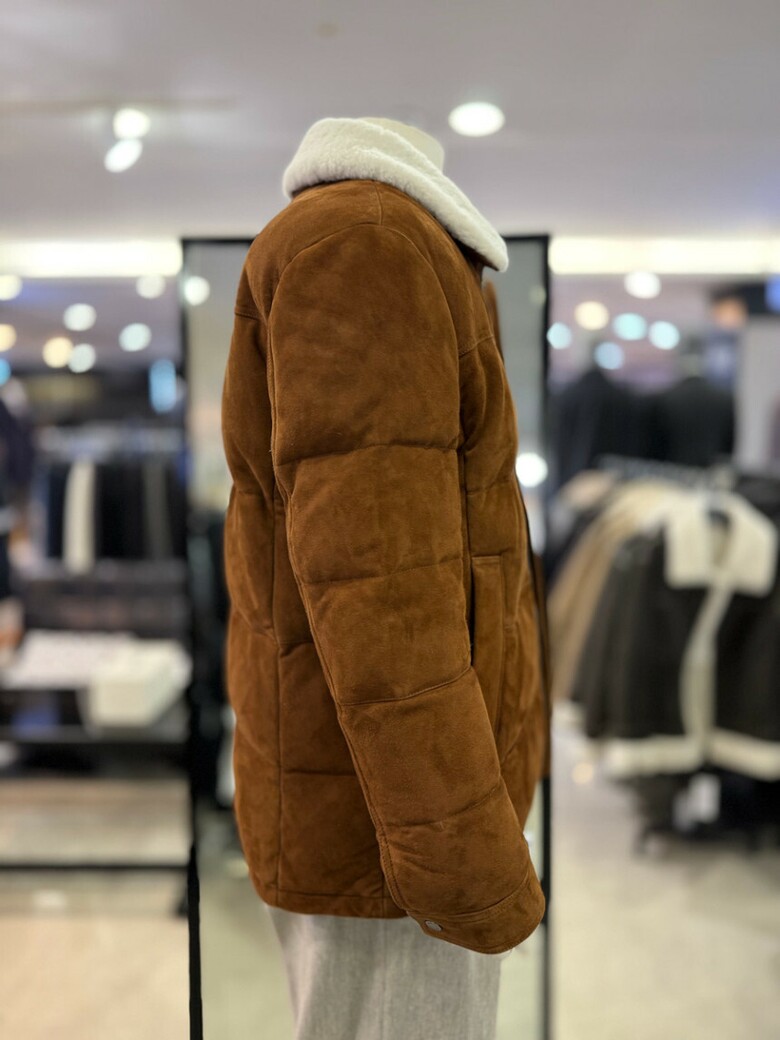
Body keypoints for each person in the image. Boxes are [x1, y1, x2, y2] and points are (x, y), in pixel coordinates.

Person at [220, 115, 548, 1040]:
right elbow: (383, 593)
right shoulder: (366, 244)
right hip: (389, 831)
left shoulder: (386, 241)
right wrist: (462, 857)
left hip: (379, 807)